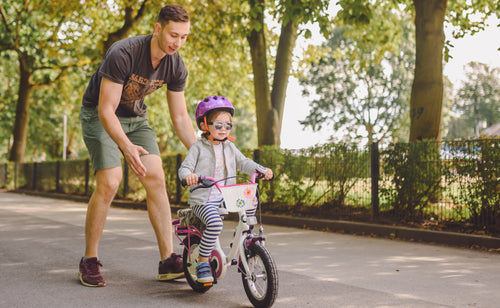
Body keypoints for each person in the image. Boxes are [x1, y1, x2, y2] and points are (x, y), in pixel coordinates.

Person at [78, 4, 196, 287]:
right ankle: (89, 260)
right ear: (158, 28)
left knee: (156, 176)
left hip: (135, 118)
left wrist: (199, 150)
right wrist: (126, 147)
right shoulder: (123, 52)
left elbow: (179, 117)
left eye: (184, 37)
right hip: (100, 115)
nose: (177, 43)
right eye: (173, 35)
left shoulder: (176, 65)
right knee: (110, 180)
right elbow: (106, 110)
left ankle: (168, 260)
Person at [178, 95, 273, 283]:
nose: (224, 129)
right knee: (214, 224)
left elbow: (244, 162)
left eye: (228, 125)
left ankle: (245, 236)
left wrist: (260, 170)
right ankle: (203, 261)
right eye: (218, 125)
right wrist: (188, 176)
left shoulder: (230, 147)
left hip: (225, 195)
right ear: (205, 125)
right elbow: (185, 168)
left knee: (251, 199)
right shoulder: (198, 148)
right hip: (203, 198)